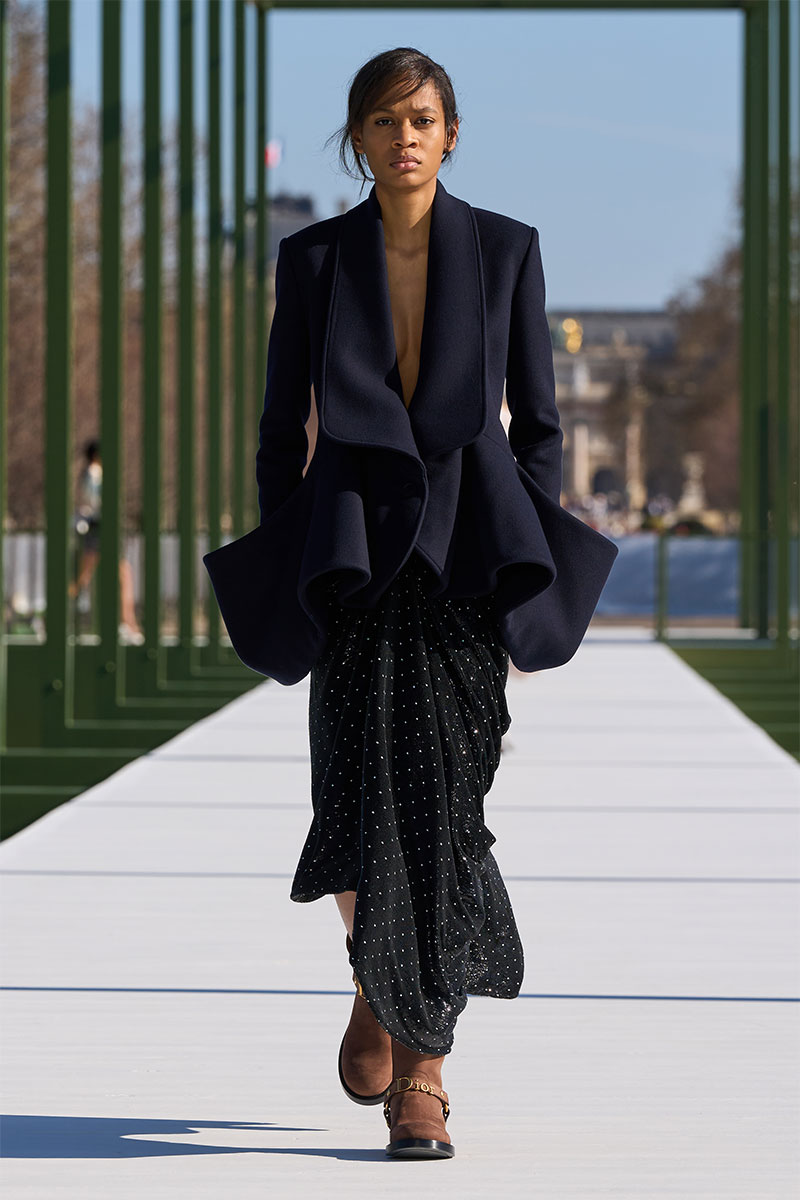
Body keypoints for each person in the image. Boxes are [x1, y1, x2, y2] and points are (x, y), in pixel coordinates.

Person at [202, 47, 619, 1161]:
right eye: (384, 121)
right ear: (358, 137)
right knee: (347, 809)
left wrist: (524, 550)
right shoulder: (312, 259)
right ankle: (376, 979)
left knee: (448, 807)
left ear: (451, 133)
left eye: (423, 119)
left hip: (463, 564)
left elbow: (539, 426)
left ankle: (424, 1070)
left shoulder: (506, 250)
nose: (405, 138)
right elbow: (277, 425)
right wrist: (291, 539)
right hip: (348, 562)